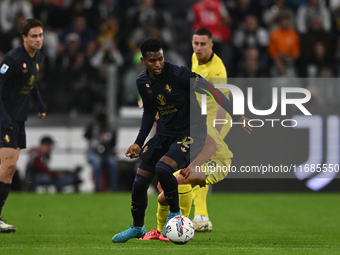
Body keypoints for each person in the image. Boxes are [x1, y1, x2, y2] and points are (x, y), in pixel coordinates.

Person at [111, 37, 251, 243]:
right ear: (143, 60)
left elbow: (212, 91)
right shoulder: (143, 81)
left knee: (163, 168)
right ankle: (137, 227)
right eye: (152, 61)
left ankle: (175, 215)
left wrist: (237, 115)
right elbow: (149, 112)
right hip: (165, 135)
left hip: (190, 133)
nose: (157, 64)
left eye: (160, 59)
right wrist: (138, 143)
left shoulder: (179, 74)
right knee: (139, 182)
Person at [139, 28, 236, 240]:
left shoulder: (216, 70)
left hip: (216, 148)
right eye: (195, 43)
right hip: (200, 134)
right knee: (163, 196)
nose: (198, 48)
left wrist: (213, 135)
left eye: (203, 44)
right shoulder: (181, 117)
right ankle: (162, 230)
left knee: (184, 178)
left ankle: (186, 223)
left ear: (212, 44)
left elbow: (213, 141)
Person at [0, 19, 46, 233]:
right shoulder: (12, 59)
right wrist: (4, 118)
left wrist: (40, 103)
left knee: (9, 169)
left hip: (19, 120)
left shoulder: (37, 57)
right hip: (5, 119)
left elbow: (32, 82)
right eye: (34, 36)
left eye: (41, 35)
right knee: (7, 166)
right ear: (24, 38)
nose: (39, 40)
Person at [84, 107, 119, 192]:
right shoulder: (93, 125)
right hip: (94, 153)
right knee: (97, 162)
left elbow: (114, 143)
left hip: (107, 154)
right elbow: (86, 135)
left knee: (113, 163)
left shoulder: (110, 127)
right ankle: (98, 187)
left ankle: (113, 187)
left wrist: (107, 140)